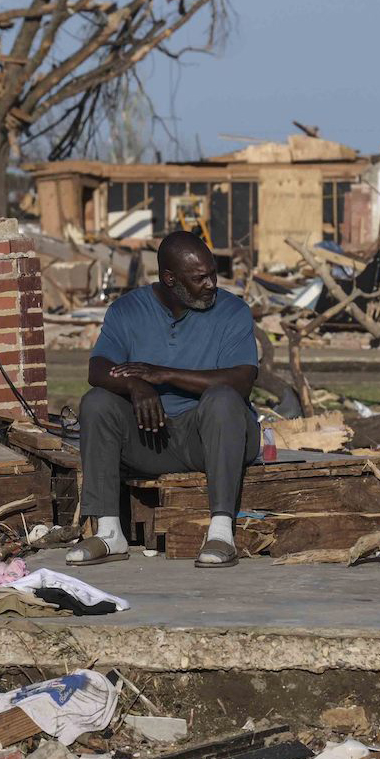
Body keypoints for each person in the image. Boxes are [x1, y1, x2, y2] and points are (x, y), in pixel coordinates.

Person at [67, 230, 260, 569]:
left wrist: (165, 375)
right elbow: (97, 369)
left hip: (212, 437)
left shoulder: (233, 311)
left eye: (213, 273)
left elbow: (242, 380)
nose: (212, 283)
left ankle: (221, 532)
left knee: (223, 400)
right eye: (200, 277)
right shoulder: (128, 310)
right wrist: (136, 386)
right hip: (151, 437)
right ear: (171, 279)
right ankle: (109, 532)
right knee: (97, 401)